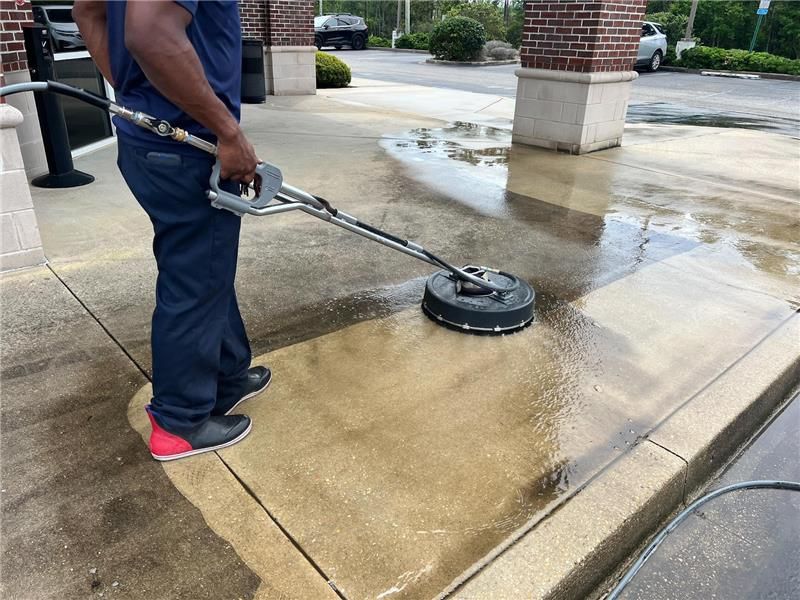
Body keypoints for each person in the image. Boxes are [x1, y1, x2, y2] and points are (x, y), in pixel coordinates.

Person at [73, 0, 271, 461]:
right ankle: (180, 421)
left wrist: (136, 91)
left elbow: (87, 11)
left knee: (206, 265)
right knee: (195, 277)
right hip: (186, 147)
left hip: (159, 140)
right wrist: (228, 132)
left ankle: (225, 376)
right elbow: (149, 34)